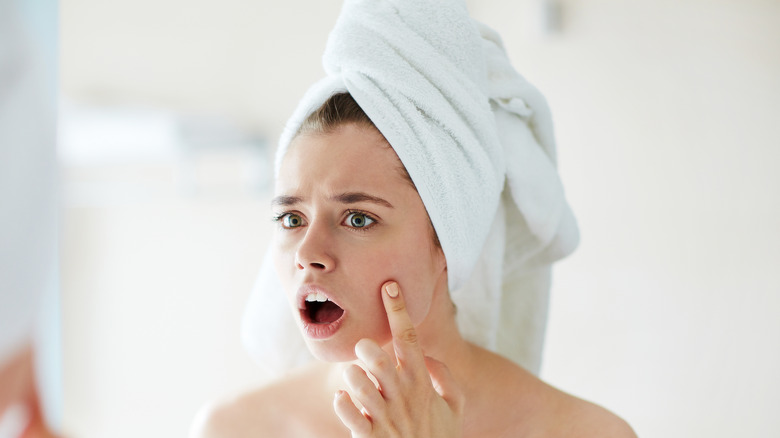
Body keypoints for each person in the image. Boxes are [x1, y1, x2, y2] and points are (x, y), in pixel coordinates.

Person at [192, 1, 636, 437]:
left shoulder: (584, 432)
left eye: (358, 219)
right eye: (291, 219)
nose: (308, 254)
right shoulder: (233, 429)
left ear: (447, 240)